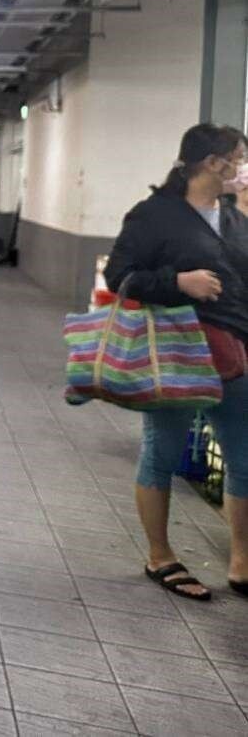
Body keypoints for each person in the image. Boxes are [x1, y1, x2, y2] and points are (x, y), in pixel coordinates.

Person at [105, 122, 248, 602]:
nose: (242, 168)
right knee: (163, 452)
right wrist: (178, 282)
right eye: (239, 158)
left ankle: (241, 559)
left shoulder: (232, 217)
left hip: (232, 351)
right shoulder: (156, 214)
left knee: (244, 456)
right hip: (176, 349)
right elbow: (120, 274)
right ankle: (160, 554)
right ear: (213, 162)